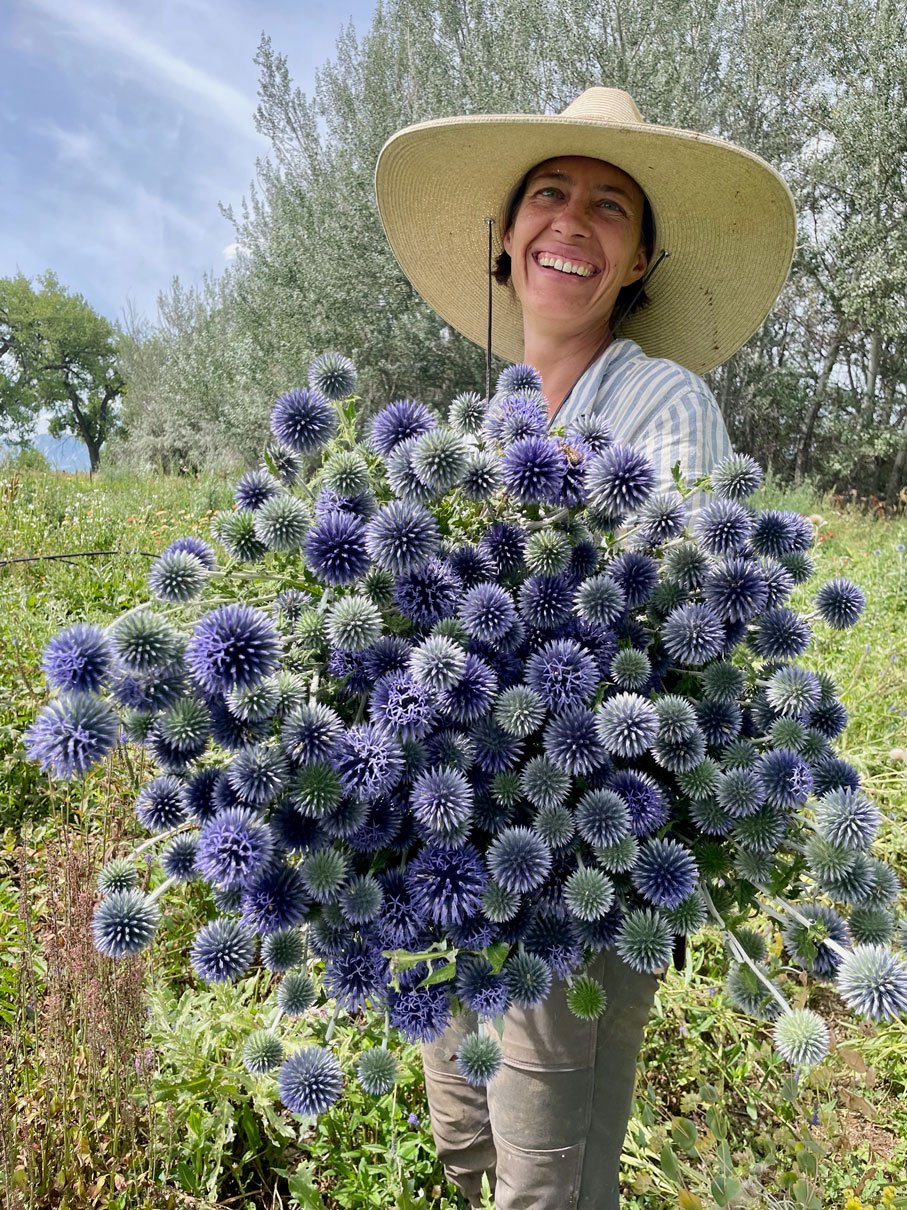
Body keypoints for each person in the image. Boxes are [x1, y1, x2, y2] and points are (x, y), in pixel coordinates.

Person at [375, 88, 795, 1209]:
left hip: (572, 871)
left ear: (643, 255)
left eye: (611, 205)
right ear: (506, 240)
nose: (573, 221)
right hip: (442, 848)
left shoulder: (662, 400)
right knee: (463, 1139)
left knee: (546, 1174)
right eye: (549, 194)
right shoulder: (464, 433)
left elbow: (651, 622)